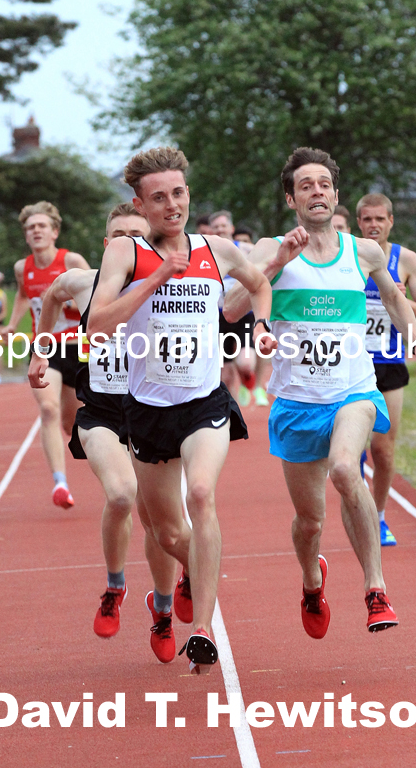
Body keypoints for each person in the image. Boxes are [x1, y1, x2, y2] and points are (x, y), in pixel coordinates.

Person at [224, 146, 416, 638]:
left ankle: (376, 589)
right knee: (309, 522)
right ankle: (311, 580)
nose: (316, 192)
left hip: (354, 391)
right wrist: (278, 260)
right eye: (306, 185)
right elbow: (232, 309)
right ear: (291, 198)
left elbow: (396, 300)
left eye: (324, 184)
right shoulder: (266, 248)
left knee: (347, 469)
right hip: (298, 402)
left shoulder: (362, 252)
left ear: (335, 195)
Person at [87, 146, 275, 674]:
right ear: (140, 204)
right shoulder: (126, 255)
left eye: (179, 193)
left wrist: (259, 326)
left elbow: (259, 285)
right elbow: (97, 325)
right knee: (167, 533)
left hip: (203, 401)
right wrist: (154, 280)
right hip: (147, 410)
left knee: (201, 492)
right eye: (159, 197)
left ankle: (203, 629)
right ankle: (189, 579)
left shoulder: (216, 249)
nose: (172, 204)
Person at [28, 203, 188, 663]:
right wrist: (41, 350)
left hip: (154, 412)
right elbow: (53, 297)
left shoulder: (174, 285)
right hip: (101, 411)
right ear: (106, 244)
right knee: (120, 495)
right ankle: (114, 587)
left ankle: (160, 609)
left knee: (160, 522)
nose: (130, 244)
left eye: (139, 237)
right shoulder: (84, 281)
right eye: (120, 236)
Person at [356, 193, 416, 546]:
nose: (374, 225)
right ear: (359, 222)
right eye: (367, 219)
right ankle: (356, 509)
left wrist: (401, 299)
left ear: (390, 221)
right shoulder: (348, 256)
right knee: (351, 448)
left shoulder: (405, 259)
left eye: (380, 219)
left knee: (383, 449)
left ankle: (381, 514)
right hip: (352, 361)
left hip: (389, 364)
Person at [2, 201, 89, 509]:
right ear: (26, 236)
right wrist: (13, 324)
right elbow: (25, 294)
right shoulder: (20, 268)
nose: (35, 231)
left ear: (54, 231)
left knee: (71, 423)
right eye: (30, 228)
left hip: (78, 350)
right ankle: (60, 484)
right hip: (45, 348)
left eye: (41, 226)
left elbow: (93, 297)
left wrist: (71, 307)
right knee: (48, 410)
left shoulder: (71, 260)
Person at [208, 210, 258, 406]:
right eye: (216, 227)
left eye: (223, 226)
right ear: (211, 230)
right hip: (219, 318)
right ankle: (231, 417)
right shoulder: (205, 253)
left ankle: (248, 379)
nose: (220, 230)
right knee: (225, 377)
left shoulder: (246, 250)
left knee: (245, 364)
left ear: (231, 228)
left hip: (244, 316)